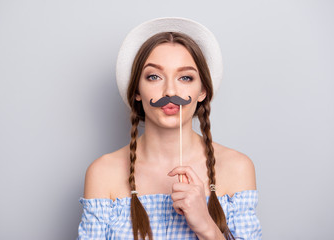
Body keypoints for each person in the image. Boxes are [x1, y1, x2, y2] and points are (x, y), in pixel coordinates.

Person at [77, 17, 262, 240]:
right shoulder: (103, 173)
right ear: (137, 90)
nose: (169, 91)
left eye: (185, 77)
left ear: (202, 90)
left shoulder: (236, 168)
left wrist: (206, 227)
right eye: (154, 76)